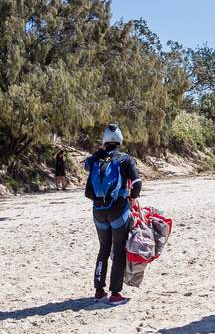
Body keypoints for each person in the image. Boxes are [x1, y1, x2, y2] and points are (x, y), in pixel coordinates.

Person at [85, 123, 141, 304]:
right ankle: (115, 293)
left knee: (103, 248)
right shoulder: (125, 159)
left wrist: (99, 152)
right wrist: (131, 198)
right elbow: (137, 184)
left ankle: (99, 290)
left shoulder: (96, 159)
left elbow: (88, 167)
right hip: (118, 210)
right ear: (120, 140)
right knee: (118, 250)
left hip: (98, 211)